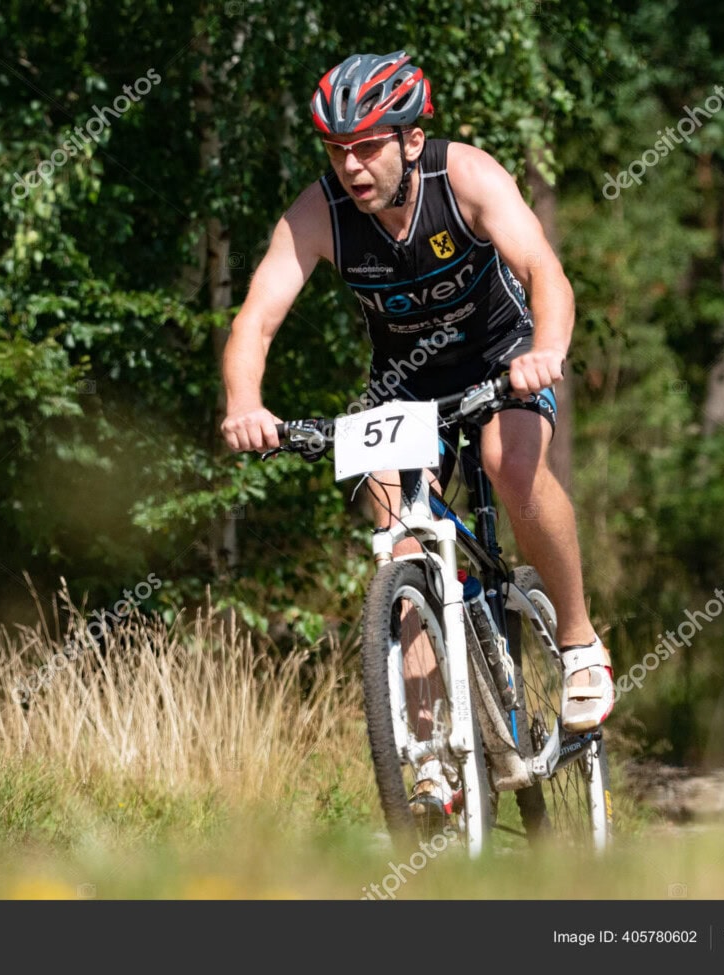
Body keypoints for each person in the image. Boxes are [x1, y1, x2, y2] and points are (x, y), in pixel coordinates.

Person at [220, 50, 614, 820]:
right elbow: (255, 320)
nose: (351, 166)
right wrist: (244, 402)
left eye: (368, 146)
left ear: (410, 138)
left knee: (508, 463)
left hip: (505, 359)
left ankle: (578, 642)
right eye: (337, 150)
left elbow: (544, 271)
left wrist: (547, 350)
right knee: (399, 540)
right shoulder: (320, 213)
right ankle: (429, 746)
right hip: (405, 387)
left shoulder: (463, 176)